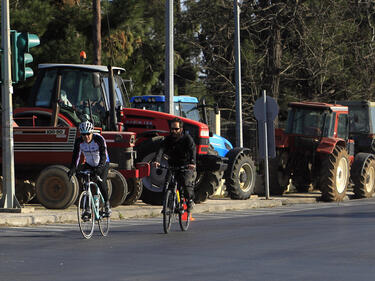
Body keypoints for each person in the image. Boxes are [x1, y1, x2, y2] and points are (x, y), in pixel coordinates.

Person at [68, 120, 111, 216]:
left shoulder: (99, 139)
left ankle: (107, 204)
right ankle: (87, 208)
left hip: (102, 163)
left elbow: (103, 155)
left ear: (92, 133)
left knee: (100, 182)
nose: (86, 137)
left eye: (88, 134)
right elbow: (76, 157)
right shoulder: (79, 142)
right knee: (86, 184)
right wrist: (72, 169)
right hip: (89, 163)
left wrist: (99, 168)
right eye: (83, 135)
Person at [154, 117, 196, 211]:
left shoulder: (187, 138)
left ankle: (189, 201)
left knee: (185, 183)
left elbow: (192, 150)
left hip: (185, 165)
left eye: (176, 129)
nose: (174, 131)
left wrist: (192, 163)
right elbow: (161, 149)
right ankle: (167, 205)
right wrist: (157, 160)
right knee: (166, 184)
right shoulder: (168, 139)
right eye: (172, 129)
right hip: (172, 164)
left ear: (181, 129)